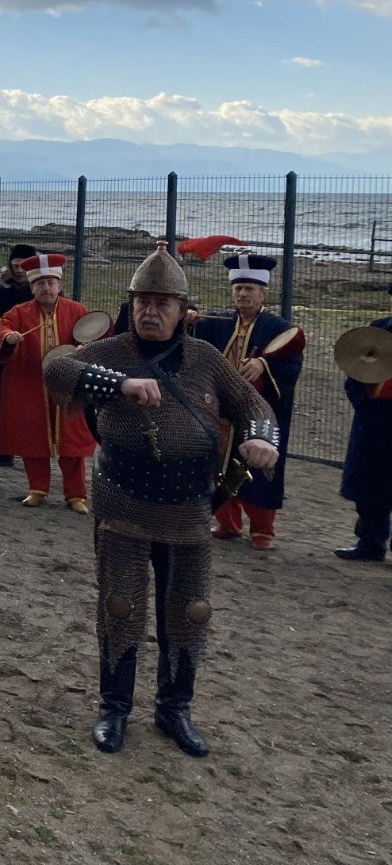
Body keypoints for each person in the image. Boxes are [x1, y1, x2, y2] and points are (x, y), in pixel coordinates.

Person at [45, 243, 279, 758]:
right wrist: (122, 383)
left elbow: (254, 404)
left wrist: (261, 438)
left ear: (181, 309)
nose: (151, 311)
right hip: (123, 502)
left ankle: (175, 710)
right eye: (142, 302)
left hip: (189, 507)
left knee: (190, 610)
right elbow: (57, 372)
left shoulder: (206, 359)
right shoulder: (111, 352)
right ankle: (114, 708)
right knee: (120, 605)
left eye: (162, 303)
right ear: (131, 305)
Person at [190, 253, 302, 551]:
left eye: (249, 289)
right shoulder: (216, 322)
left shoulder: (278, 328)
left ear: (263, 293)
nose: (242, 294)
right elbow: (191, 342)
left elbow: (292, 363)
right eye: (238, 288)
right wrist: (187, 318)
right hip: (220, 406)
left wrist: (264, 364)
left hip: (258, 407)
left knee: (259, 465)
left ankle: (262, 530)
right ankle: (227, 523)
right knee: (217, 464)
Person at [0, 253, 97, 511]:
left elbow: (92, 335)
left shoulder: (77, 310)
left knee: (71, 441)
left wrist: (84, 347)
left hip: (66, 386)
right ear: (32, 287)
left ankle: (76, 495)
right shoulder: (18, 312)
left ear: (59, 285)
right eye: (40, 284)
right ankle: (37, 489)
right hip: (31, 385)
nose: (46, 288)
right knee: (33, 438)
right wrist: (8, 336)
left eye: (51, 283)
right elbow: (0, 329)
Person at [335, 284, 392, 562]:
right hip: (374, 417)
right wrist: (363, 403)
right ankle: (370, 542)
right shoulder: (378, 330)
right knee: (369, 483)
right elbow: (355, 370)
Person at [0, 242, 36, 468]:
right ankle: (4, 452)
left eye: (24, 265)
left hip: (34, 353)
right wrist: (2, 289)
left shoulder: (41, 288)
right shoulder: (6, 290)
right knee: (4, 405)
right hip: (8, 352)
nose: (20, 270)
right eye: (16, 265)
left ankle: (33, 451)